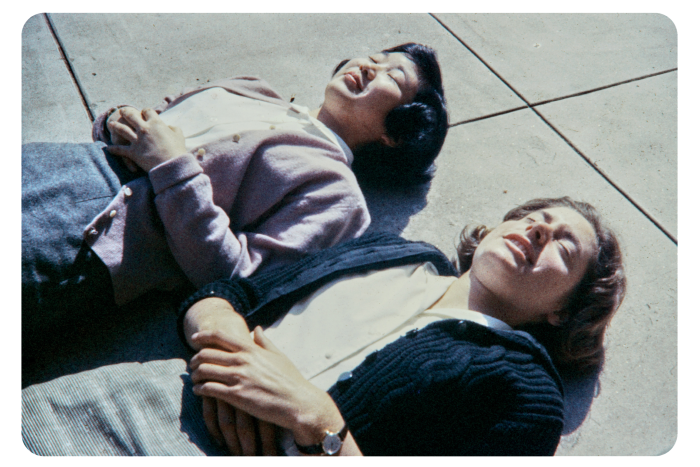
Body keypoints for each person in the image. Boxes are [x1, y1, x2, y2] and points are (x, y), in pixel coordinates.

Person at [21, 43, 449, 356]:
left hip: (90, 236)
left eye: (394, 76)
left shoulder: (338, 195)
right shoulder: (253, 88)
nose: (370, 65)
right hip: (57, 162)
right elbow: (147, 121)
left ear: (396, 135)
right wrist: (118, 120)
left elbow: (237, 280)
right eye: (376, 56)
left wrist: (172, 166)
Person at [179, 197, 626, 457]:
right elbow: (230, 296)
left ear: (563, 312)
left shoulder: (526, 392)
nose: (538, 232)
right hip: (156, 394)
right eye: (535, 219)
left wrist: (315, 420)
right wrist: (232, 351)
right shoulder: (392, 251)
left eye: (563, 248)